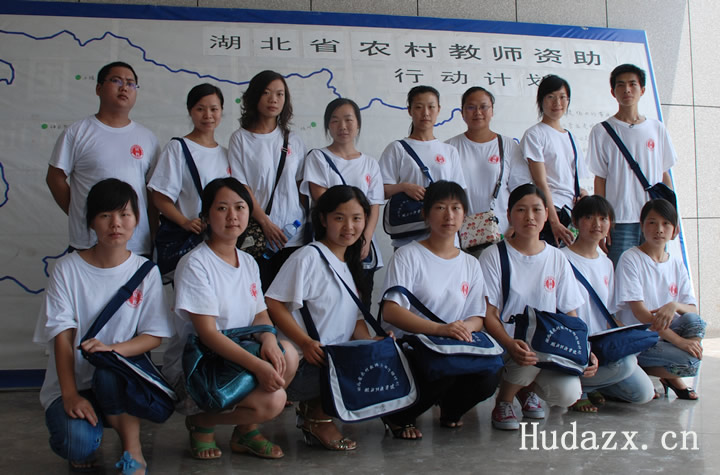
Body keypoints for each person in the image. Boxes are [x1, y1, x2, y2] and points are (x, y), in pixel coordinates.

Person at [34, 178, 173, 474]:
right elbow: (62, 337)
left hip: (117, 379)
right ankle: (87, 436)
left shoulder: (146, 272)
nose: (116, 223)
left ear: (137, 219)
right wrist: (70, 394)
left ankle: (132, 448)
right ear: (90, 221)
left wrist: (112, 351)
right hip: (74, 382)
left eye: (124, 214)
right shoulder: (67, 269)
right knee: (78, 444)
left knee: (110, 374)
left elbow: (153, 336)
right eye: (105, 215)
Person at [162, 177, 299, 460]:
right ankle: (201, 422)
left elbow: (259, 312)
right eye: (222, 208)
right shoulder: (195, 264)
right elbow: (208, 334)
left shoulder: (247, 261)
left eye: (240, 207)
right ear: (206, 216)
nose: (232, 216)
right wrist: (259, 366)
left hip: (235, 357)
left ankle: (245, 433)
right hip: (200, 366)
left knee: (288, 354)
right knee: (274, 401)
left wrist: (269, 339)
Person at [379, 181, 498, 439]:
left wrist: (462, 330)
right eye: (440, 207)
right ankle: (399, 416)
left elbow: (477, 317)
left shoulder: (470, 263)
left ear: (464, 215)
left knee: (489, 373)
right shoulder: (408, 255)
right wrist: (440, 330)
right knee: (441, 370)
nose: (449, 215)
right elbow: (391, 311)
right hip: (413, 346)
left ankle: (451, 410)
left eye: (456, 208)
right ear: (425, 213)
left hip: (451, 344)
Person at [266, 185, 380, 451]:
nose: (349, 226)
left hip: (327, 360)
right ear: (323, 219)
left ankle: (315, 411)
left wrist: (371, 345)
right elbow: (273, 302)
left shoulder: (350, 264)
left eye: (357, 218)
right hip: (302, 363)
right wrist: (304, 342)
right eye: (339, 218)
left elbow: (356, 321)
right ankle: (318, 418)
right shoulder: (308, 257)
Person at [479, 183, 591, 430]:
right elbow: (489, 313)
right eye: (521, 210)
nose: (529, 217)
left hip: (546, 344)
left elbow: (570, 312)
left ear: (547, 215)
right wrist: (510, 344)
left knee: (569, 393)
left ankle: (526, 389)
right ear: (509, 215)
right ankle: (504, 400)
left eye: (537, 210)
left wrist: (583, 349)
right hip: (506, 344)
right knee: (528, 353)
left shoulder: (557, 257)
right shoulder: (493, 255)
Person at [46, 61, 159, 257]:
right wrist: (81, 213)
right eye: (116, 81)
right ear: (98, 88)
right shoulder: (78, 132)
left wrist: (154, 232)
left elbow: (152, 192)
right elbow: (55, 178)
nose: (124, 88)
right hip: (89, 242)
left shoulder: (147, 138)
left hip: (136, 244)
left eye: (130, 83)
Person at [561, 196, 655, 412]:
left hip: (600, 344)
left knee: (643, 393)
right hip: (574, 345)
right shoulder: (561, 258)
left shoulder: (606, 262)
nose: (597, 224)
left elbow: (609, 313)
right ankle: (582, 390)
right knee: (626, 365)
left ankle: (595, 384)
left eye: (603, 218)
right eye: (589, 217)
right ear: (575, 222)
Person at [614, 199, 705, 400]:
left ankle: (669, 374)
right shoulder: (631, 258)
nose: (659, 229)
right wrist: (680, 342)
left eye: (666, 223)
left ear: (675, 230)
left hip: (665, 335)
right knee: (688, 362)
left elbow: (692, 309)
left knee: (695, 322)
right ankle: (650, 371)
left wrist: (673, 305)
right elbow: (640, 313)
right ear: (642, 226)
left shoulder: (676, 263)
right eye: (652, 222)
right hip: (639, 338)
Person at [587, 64, 677, 267]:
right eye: (620, 85)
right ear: (613, 92)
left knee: (655, 271)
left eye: (632, 84)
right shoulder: (602, 131)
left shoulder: (657, 128)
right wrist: (604, 219)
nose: (627, 90)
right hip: (620, 220)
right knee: (621, 274)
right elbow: (600, 179)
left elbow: (664, 175)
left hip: (655, 218)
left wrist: (672, 214)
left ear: (642, 90)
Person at [300, 98, 384, 306]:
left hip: (361, 244)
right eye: (335, 120)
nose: (342, 126)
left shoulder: (370, 163)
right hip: (330, 240)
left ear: (358, 124)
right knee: (328, 301)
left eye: (348, 120)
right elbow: (322, 200)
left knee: (361, 303)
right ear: (328, 125)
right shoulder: (318, 158)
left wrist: (366, 238)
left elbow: (374, 206)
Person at [228, 70, 307, 290]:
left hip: (293, 235)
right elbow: (242, 188)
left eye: (280, 94)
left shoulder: (294, 140)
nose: (273, 99)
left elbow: (301, 186)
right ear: (254, 96)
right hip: (258, 236)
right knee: (259, 296)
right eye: (266, 93)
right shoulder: (241, 139)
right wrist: (265, 222)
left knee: (291, 299)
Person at [148, 83, 230, 272]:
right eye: (200, 109)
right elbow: (159, 197)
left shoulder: (226, 154)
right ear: (190, 111)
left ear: (221, 111)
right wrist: (184, 222)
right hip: (190, 242)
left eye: (214, 109)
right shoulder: (178, 148)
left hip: (219, 244)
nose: (208, 115)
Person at [446, 86, 532, 252]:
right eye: (471, 107)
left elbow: (521, 192)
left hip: (503, 233)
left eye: (484, 107)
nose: (478, 112)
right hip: (461, 234)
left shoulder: (508, 146)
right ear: (462, 112)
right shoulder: (450, 147)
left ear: (492, 111)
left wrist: (515, 226)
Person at [380, 85, 467, 249]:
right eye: (419, 107)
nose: (425, 113)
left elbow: (459, 194)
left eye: (431, 107)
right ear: (409, 110)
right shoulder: (397, 148)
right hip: (409, 238)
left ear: (439, 109)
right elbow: (379, 191)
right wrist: (404, 187)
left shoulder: (449, 151)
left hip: (446, 238)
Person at [521, 74, 587, 247]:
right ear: (541, 100)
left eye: (562, 97)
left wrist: (583, 195)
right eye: (551, 97)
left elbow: (571, 178)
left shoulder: (570, 137)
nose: (557, 103)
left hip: (572, 213)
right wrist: (554, 221)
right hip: (553, 211)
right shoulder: (535, 134)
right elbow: (540, 182)